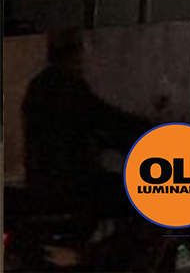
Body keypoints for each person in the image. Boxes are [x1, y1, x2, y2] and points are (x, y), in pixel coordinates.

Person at [20, 29, 157, 221]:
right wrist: (151, 132)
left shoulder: (38, 85)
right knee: (146, 194)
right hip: (74, 187)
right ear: (78, 53)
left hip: (43, 186)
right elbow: (107, 120)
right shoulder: (69, 87)